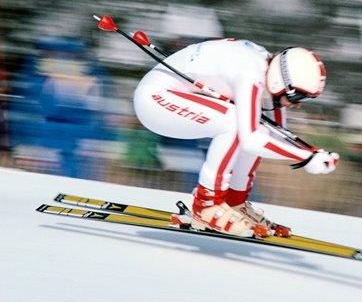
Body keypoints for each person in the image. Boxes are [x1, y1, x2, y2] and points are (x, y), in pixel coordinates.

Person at [133, 39, 338, 237]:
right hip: (154, 99)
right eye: (297, 97)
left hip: (172, 97)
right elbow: (251, 140)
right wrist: (305, 157)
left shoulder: (265, 69)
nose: (298, 105)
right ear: (280, 82)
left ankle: (233, 202)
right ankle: (206, 206)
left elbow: (275, 133)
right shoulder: (250, 75)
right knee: (234, 121)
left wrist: (312, 154)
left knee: (255, 124)